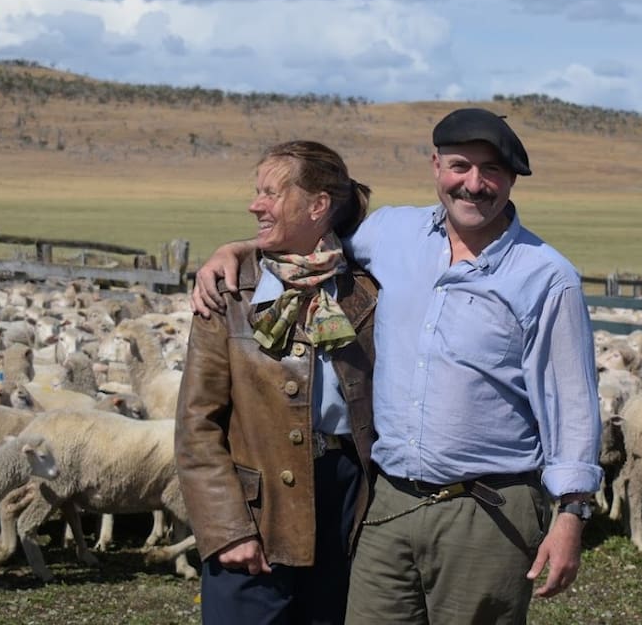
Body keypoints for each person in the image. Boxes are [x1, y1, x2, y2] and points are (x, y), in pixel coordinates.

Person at [193, 108, 603, 625]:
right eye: (460, 166)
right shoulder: (391, 232)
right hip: (389, 504)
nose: (474, 184)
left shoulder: (546, 277)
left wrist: (571, 514)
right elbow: (313, 240)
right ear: (436, 166)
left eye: (492, 171)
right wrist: (239, 249)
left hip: (486, 509)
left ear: (512, 180)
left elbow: (572, 404)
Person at [175, 140, 378, 625]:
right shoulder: (230, 294)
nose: (254, 205)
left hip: (345, 506)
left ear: (318, 205)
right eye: (257, 192)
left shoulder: (364, 291)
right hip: (256, 509)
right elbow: (197, 425)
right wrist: (228, 528)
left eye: (270, 193)